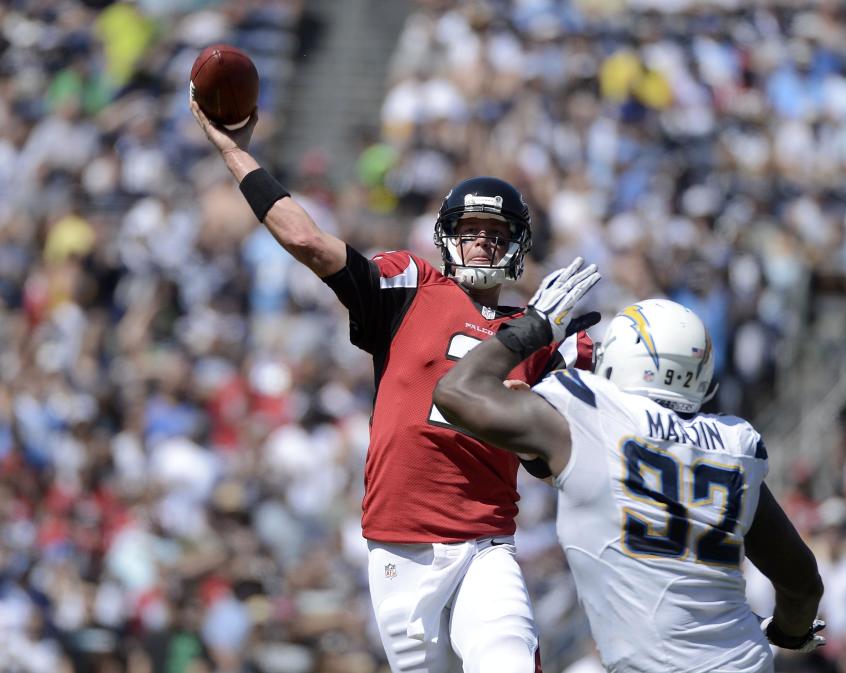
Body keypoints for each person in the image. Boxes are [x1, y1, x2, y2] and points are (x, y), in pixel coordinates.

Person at [189, 101, 593, 673]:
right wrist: (234, 151)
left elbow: (573, 444)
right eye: (469, 230)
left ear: (516, 246)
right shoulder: (413, 286)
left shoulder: (543, 334)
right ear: (445, 238)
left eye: (494, 233)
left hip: (485, 541)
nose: (480, 242)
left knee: (506, 660)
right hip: (399, 544)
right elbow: (307, 242)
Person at [434, 261, 826, 672]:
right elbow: (801, 583)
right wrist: (789, 632)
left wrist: (533, 327)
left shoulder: (588, 411)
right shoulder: (735, 443)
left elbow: (456, 391)